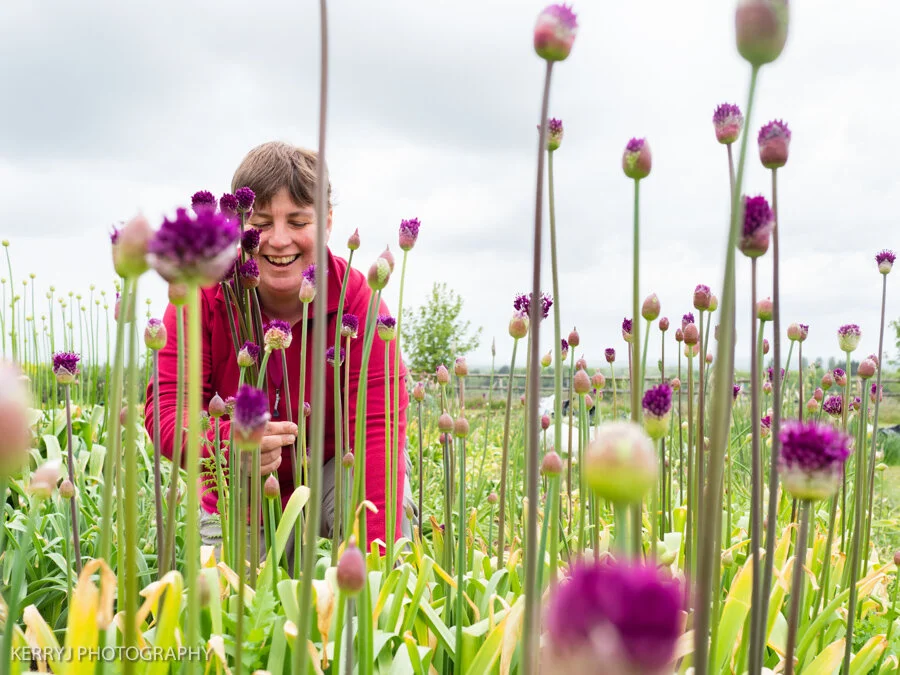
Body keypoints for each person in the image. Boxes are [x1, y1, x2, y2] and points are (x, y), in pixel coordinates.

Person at [145, 141, 411, 553]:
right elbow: (166, 410)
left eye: (299, 221)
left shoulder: (357, 301)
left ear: (327, 223)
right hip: (240, 487)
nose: (279, 240)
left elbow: (377, 435)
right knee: (228, 609)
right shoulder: (202, 292)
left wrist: (375, 575)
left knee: (374, 539)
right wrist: (225, 444)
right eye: (261, 222)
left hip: (332, 472)